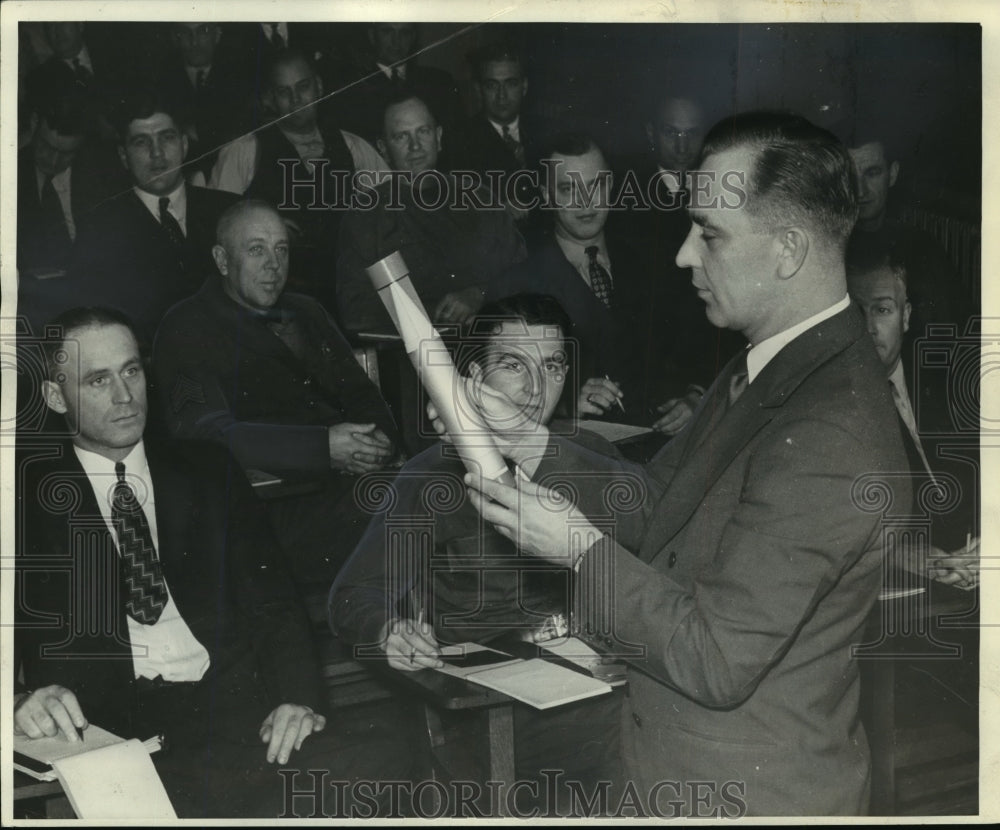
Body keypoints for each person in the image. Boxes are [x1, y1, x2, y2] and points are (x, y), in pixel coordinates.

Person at [458, 112, 910, 816]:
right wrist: (533, 444)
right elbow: (655, 501)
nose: (682, 257)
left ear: (788, 249)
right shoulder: (765, 365)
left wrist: (577, 550)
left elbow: (716, 656)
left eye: (710, 233)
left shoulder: (833, 429)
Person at [13, 307, 407, 818]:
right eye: (97, 380)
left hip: (239, 712)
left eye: (131, 371)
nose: (124, 396)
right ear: (54, 395)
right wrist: (18, 699)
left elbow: (275, 606)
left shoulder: (206, 470)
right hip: (115, 735)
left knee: (392, 763)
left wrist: (296, 699)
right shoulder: (22, 501)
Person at [330, 292, 623, 814]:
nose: (536, 389)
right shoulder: (429, 478)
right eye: (514, 365)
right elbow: (355, 594)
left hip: (606, 685)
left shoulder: (591, 458)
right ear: (475, 377)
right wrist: (389, 629)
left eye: (553, 365)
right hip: (500, 711)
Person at [153, 200, 399, 608]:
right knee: (418, 502)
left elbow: (364, 396)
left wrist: (380, 441)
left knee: (435, 486)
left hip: (347, 489)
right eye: (256, 250)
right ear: (222, 259)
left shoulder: (306, 311)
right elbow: (205, 434)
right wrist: (323, 448)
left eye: (281, 249)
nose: (273, 264)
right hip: (266, 511)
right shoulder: (185, 327)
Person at [491, 133, 714, 433]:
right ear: (545, 194)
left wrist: (696, 396)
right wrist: (564, 405)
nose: (586, 202)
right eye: (569, 189)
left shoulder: (656, 262)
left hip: (667, 442)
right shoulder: (517, 285)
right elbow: (497, 393)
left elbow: (705, 346)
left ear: (610, 185)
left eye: (596, 185)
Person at [336, 91, 526, 335]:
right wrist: (441, 313)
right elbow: (354, 310)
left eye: (423, 132)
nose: (415, 146)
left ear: (438, 137)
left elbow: (523, 273)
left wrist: (479, 295)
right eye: (401, 136)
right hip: (416, 355)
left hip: (497, 339)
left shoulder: (480, 197)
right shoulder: (366, 216)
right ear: (383, 148)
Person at [208, 49, 388, 306]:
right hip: (272, 299)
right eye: (284, 92)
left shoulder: (354, 148)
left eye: (303, 87)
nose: (295, 99)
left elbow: (392, 216)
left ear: (319, 86)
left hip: (347, 294)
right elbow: (217, 223)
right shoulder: (245, 151)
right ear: (270, 99)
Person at [847, 257, 979, 588]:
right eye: (855, 312)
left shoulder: (950, 377)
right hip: (907, 583)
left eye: (882, 310)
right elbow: (827, 528)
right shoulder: (830, 407)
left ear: (905, 316)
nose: (868, 327)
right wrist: (908, 555)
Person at [68, 91, 237, 343]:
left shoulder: (230, 211)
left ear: (184, 145)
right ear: (124, 156)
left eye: (166, 138)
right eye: (141, 142)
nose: (156, 153)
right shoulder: (99, 229)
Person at [843, 127, 970, 337]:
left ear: (892, 174)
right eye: (850, 176)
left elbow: (957, 326)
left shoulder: (922, 248)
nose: (861, 190)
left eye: (872, 173)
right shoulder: (829, 249)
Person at [153, 22, 254, 184]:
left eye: (203, 31)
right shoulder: (160, 78)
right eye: (186, 33)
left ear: (218, 34)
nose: (194, 42)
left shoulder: (240, 75)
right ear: (175, 38)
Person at [453, 41, 537, 220]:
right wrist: (496, 211)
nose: (502, 95)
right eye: (492, 85)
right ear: (478, 90)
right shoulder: (459, 142)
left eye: (511, 84)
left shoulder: (544, 131)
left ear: (524, 87)